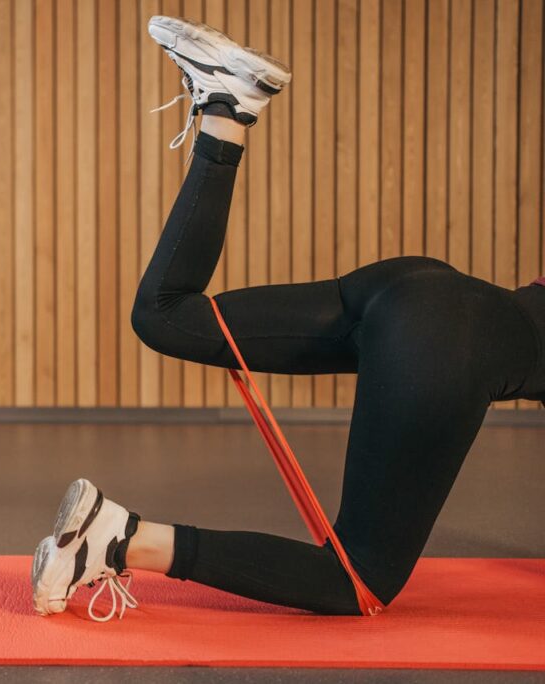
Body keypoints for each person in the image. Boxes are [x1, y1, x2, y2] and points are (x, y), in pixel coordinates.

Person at [31, 15, 545, 622]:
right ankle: (117, 537)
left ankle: (227, 107)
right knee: (356, 582)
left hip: (415, 287)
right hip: (444, 341)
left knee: (166, 316)